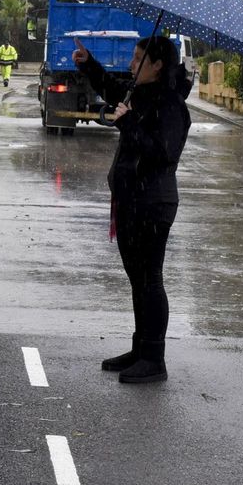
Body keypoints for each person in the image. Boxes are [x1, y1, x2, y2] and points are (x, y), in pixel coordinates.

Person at [73, 34, 192, 383]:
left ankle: (154, 357)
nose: (131, 64)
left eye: (138, 59)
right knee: (137, 279)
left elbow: (163, 152)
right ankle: (140, 348)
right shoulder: (141, 93)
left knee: (150, 278)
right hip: (129, 199)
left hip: (153, 202)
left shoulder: (172, 105)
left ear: (157, 65)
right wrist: (89, 64)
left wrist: (128, 123)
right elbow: (113, 90)